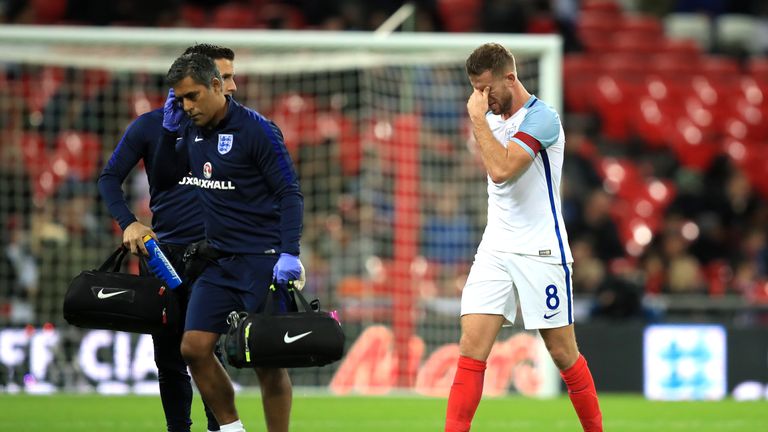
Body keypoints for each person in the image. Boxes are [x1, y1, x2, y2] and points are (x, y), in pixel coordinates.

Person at [444, 43, 603, 432]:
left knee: (562, 353)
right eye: (475, 90)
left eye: (486, 88)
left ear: (510, 78)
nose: (480, 98)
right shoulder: (491, 114)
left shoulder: (542, 119)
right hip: (495, 249)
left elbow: (502, 170)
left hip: (541, 251)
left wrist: (478, 121)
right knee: (471, 350)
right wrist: (483, 119)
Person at [154, 52, 303, 432]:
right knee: (193, 348)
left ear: (217, 87)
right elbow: (168, 177)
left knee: (267, 362)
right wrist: (169, 134)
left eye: (192, 97)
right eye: (180, 99)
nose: (186, 106)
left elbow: (289, 193)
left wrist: (289, 253)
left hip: (262, 262)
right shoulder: (189, 128)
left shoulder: (258, 130)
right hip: (219, 261)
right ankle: (232, 429)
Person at [97, 43, 237, 432]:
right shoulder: (148, 126)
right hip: (163, 257)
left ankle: (221, 429)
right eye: (225, 77)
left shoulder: (236, 129)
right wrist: (129, 222)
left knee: (207, 352)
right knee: (169, 360)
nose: (232, 86)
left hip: (215, 257)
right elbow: (109, 178)